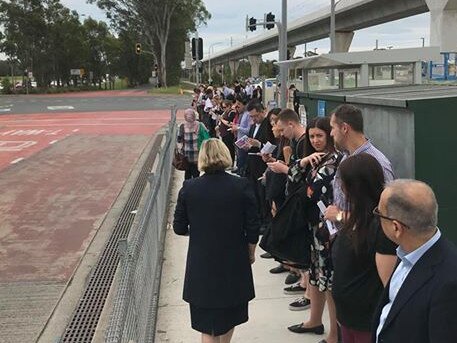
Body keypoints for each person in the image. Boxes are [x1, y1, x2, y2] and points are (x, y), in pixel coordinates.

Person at [173, 138, 260, 343]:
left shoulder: (189, 187)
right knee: (229, 317)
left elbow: (179, 227)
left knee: (207, 325)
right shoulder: (241, 186)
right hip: (233, 260)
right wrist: (250, 252)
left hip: (202, 263)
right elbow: (253, 226)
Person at [373, 179, 457, 343]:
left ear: (396, 228)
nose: (377, 218)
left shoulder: (449, 282)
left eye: (378, 213)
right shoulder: (407, 251)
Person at [331, 153, 397, 343]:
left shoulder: (381, 227)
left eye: (342, 182)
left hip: (366, 321)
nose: (340, 187)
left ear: (354, 186)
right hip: (347, 316)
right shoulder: (355, 218)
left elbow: (388, 285)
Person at [286, 117, 342, 343]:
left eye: (320, 135)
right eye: (312, 136)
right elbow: (291, 178)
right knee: (316, 277)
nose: (316, 140)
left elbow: (311, 190)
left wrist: (303, 170)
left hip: (328, 230)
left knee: (327, 281)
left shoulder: (334, 161)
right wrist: (302, 162)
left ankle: (334, 335)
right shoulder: (313, 159)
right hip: (314, 228)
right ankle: (314, 320)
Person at [325, 104, 394, 227]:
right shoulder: (346, 156)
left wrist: (339, 215)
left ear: (344, 128)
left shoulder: (378, 163)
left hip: (363, 242)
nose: (331, 133)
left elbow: (384, 216)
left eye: (332, 128)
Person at [177, 108, 207, 180]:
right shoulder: (200, 125)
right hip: (197, 154)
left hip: (186, 155)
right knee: (196, 174)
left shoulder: (182, 126)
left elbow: (179, 140)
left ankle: (188, 188)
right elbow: (206, 136)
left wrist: (180, 150)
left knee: (187, 174)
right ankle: (196, 188)